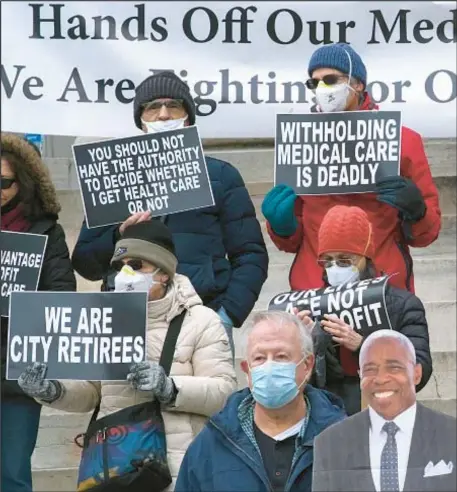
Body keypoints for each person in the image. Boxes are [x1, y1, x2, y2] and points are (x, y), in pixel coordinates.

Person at [17, 220, 237, 490]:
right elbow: (91, 392)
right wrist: (52, 389)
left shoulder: (202, 321)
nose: (125, 274)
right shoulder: (103, 320)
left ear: (163, 273)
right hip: (117, 467)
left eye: (136, 266)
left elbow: (224, 393)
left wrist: (170, 387)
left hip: (179, 468)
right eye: (120, 267)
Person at [71, 71, 269, 353]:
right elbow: (85, 264)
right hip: (129, 321)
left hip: (203, 319)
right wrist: (119, 235)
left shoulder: (221, 176)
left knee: (203, 397)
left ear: (188, 117)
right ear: (140, 120)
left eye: (173, 105)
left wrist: (226, 315)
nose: (163, 115)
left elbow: (250, 254)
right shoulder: (114, 177)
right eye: (153, 107)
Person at [262, 43, 441, 294]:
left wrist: (418, 212)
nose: (322, 89)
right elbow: (292, 243)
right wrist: (282, 227)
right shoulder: (301, 141)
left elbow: (426, 235)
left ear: (358, 84)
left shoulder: (403, 141)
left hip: (383, 288)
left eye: (331, 79)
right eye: (314, 83)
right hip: (314, 289)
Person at [175, 311, 346, 492]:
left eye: (281, 356)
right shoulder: (212, 443)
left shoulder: (342, 439)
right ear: (246, 370)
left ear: (307, 365)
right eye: (259, 358)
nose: (269, 367)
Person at [296, 205, 432, 416]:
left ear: (365, 259)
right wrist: (304, 341)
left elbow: (419, 371)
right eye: (328, 261)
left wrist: (364, 345)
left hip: (382, 412)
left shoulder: (401, 305)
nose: (335, 269)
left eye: (344, 260)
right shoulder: (311, 306)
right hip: (326, 416)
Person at [1, 133, 77, 492]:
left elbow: (62, 295)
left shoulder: (46, 232)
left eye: (3, 182)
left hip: (16, 376)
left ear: (24, 182)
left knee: (12, 475)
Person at [312, 329, 456, 492]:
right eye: (370, 369)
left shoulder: (452, 434)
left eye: (394, 368)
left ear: (417, 373)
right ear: (360, 376)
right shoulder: (330, 443)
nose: (380, 379)